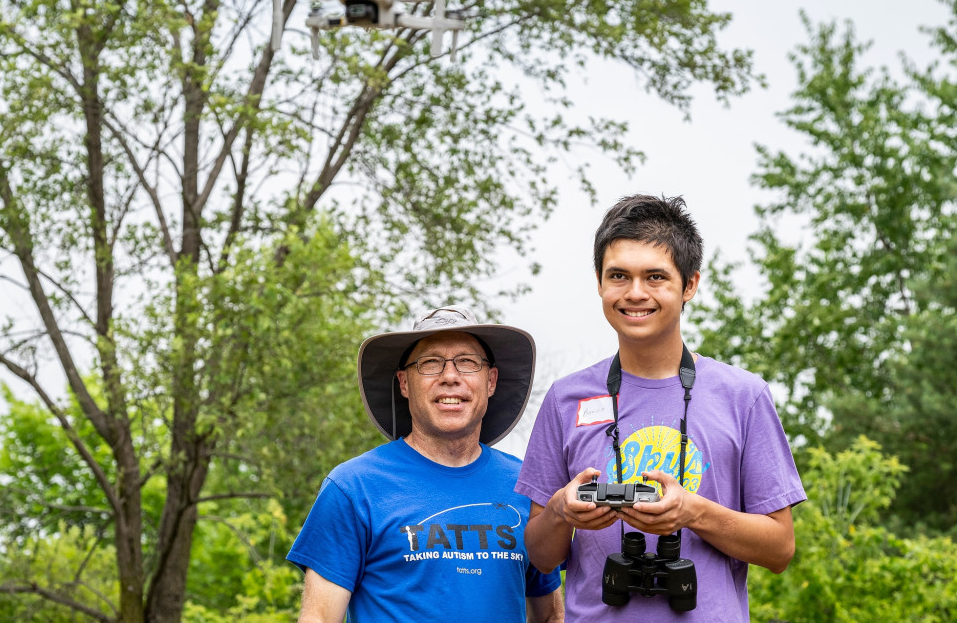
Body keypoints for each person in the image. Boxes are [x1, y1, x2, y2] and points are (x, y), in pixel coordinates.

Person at [516, 194, 806, 621]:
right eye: (618, 276)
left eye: (655, 277)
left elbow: (780, 550)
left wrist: (693, 512)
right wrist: (561, 510)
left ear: (689, 284)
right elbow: (541, 557)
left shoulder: (744, 395)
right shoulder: (565, 398)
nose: (635, 293)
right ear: (599, 282)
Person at [288, 306, 564, 622]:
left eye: (468, 362)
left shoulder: (526, 487)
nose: (450, 377)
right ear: (404, 383)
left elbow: (550, 616)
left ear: (491, 381)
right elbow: (320, 617)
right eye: (430, 363)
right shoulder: (353, 487)